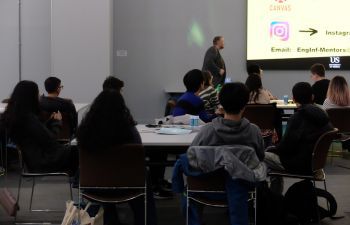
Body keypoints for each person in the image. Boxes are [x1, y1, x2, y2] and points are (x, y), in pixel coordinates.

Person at [178, 82, 265, 225]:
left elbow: (192, 158)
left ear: (221, 105)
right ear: (245, 105)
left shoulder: (207, 130)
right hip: (242, 190)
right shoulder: (254, 131)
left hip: (205, 189)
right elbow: (259, 159)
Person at [77, 90, 157, 225]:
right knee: (144, 175)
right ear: (122, 108)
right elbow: (138, 151)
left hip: (95, 185)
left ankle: (110, 219)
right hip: (128, 185)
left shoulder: (84, 132)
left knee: (105, 173)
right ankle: (146, 220)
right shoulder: (129, 130)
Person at [264, 82, 333, 194]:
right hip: (316, 165)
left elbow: (285, 148)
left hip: (298, 164)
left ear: (294, 99)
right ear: (312, 97)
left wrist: (272, 148)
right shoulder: (324, 116)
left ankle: (273, 198)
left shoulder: (297, 118)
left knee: (260, 155)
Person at [1, 80, 78, 174]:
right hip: (45, 160)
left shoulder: (17, 118)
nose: (39, 96)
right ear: (30, 97)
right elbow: (50, 140)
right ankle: (83, 183)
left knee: (79, 151)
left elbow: (38, 135)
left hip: (34, 161)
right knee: (82, 151)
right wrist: (57, 122)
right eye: (37, 93)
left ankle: (79, 182)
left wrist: (50, 121)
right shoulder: (29, 119)